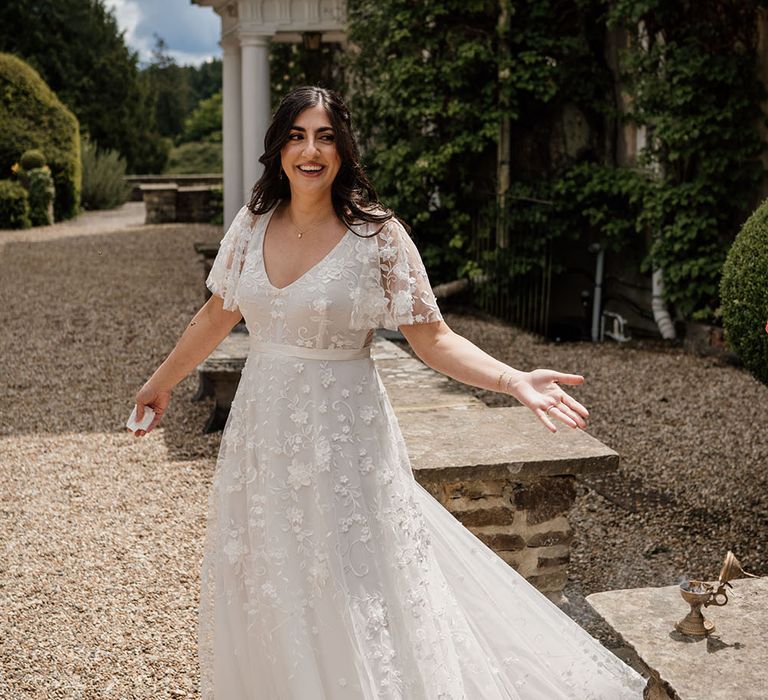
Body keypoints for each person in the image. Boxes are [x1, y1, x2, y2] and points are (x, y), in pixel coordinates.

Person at [132, 86, 647, 699]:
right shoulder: (250, 226)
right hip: (263, 432)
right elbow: (217, 315)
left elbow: (433, 339)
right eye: (297, 136)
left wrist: (514, 380)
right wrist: (159, 382)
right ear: (278, 149)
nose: (311, 150)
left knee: (357, 579)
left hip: (348, 439)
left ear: (344, 149)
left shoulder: (379, 237)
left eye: (325, 136)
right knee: (273, 576)